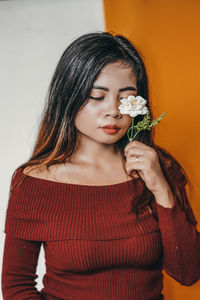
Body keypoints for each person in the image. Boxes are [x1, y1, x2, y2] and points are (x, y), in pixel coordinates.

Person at [1, 32, 200, 300]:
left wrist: (161, 189)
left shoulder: (159, 169)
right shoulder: (33, 182)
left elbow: (188, 274)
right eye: (97, 96)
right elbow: (16, 286)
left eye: (127, 97)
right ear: (68, 97)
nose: (114, 110)